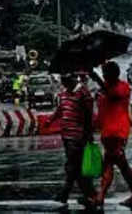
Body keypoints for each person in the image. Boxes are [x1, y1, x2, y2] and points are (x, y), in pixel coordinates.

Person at [89, 61, 132, 207]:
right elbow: (101, 112)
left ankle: (102, 196)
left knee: (114, 163)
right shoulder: (102, 91)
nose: (105, 76)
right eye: (104, 74)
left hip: (118, 132)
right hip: (107, 133)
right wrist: (94, 126)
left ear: (113, 75)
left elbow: (113, 95)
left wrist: (97, 79)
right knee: (115, 163)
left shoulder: (123, 87)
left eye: (106, 74)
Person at [44, 73, 96, 207]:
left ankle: (66, 193)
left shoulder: (83, 94)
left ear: (73, 80)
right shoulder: (64, 93)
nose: (64, 84)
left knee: (72, 166)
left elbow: (89, 116)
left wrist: (88, 134)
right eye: (63, 82)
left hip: (77, 136)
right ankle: (89, 195)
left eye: (66, 81)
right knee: (76, 167)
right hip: (66, 136)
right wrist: (50, 120)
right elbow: (61, 109)